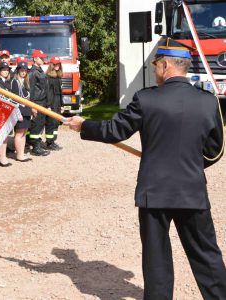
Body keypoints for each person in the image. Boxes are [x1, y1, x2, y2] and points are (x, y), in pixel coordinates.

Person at [64, 38, 226, 299]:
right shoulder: (209, 101)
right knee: (206, 255)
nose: (154, 71)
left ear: (164, 65)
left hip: (155, 192)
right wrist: (192, 164)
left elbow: (114, 130)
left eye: (155, 66)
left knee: (157, 258)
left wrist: (84, 125)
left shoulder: (146, 99)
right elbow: (216, 150)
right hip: (191, 190)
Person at [27, 49, 51, 156]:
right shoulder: (33, 72)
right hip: (36, 102)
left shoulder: (40, 70)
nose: (43, 59)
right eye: (41, 58)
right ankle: (35, 148)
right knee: (36, 125)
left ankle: (37, 144)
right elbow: (31, 90)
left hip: (43, 101)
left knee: (40, 124)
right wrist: (32, 105)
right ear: (35, 59)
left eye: (43, 57)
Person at [10, 61, 33, 162]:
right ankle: (19, 155)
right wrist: (17, 113)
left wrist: (31, 110)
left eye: (25, 70)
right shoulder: (15, 82)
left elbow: (28, 97)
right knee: (19, 133)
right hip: (20, 110)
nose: (24, 72)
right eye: (22, 70)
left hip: (26, 110)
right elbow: (14, 99)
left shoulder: (26, 82)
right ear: (18, 70)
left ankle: (21, 153)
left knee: (24, 133)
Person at [0, 61, 12, 167]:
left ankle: (3, 156)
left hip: (7, 110)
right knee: (1, 135)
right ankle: (1, 157)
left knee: (5, 135)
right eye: (3, 70)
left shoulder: (7, 82)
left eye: (7, 70)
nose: (5, 72)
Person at [44, 56, 63, 151]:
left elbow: (60, 93)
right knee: (50, 123)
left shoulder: (58, 77)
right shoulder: (48, 77)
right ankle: (49, 143)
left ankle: (53, 141)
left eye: (58, 64)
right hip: (51, 104)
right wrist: (48, 106)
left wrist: (62, 105)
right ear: (51, 65)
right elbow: (48, 93)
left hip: (58, 103)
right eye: (55, 64)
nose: (57, 66)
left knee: (56, 123)